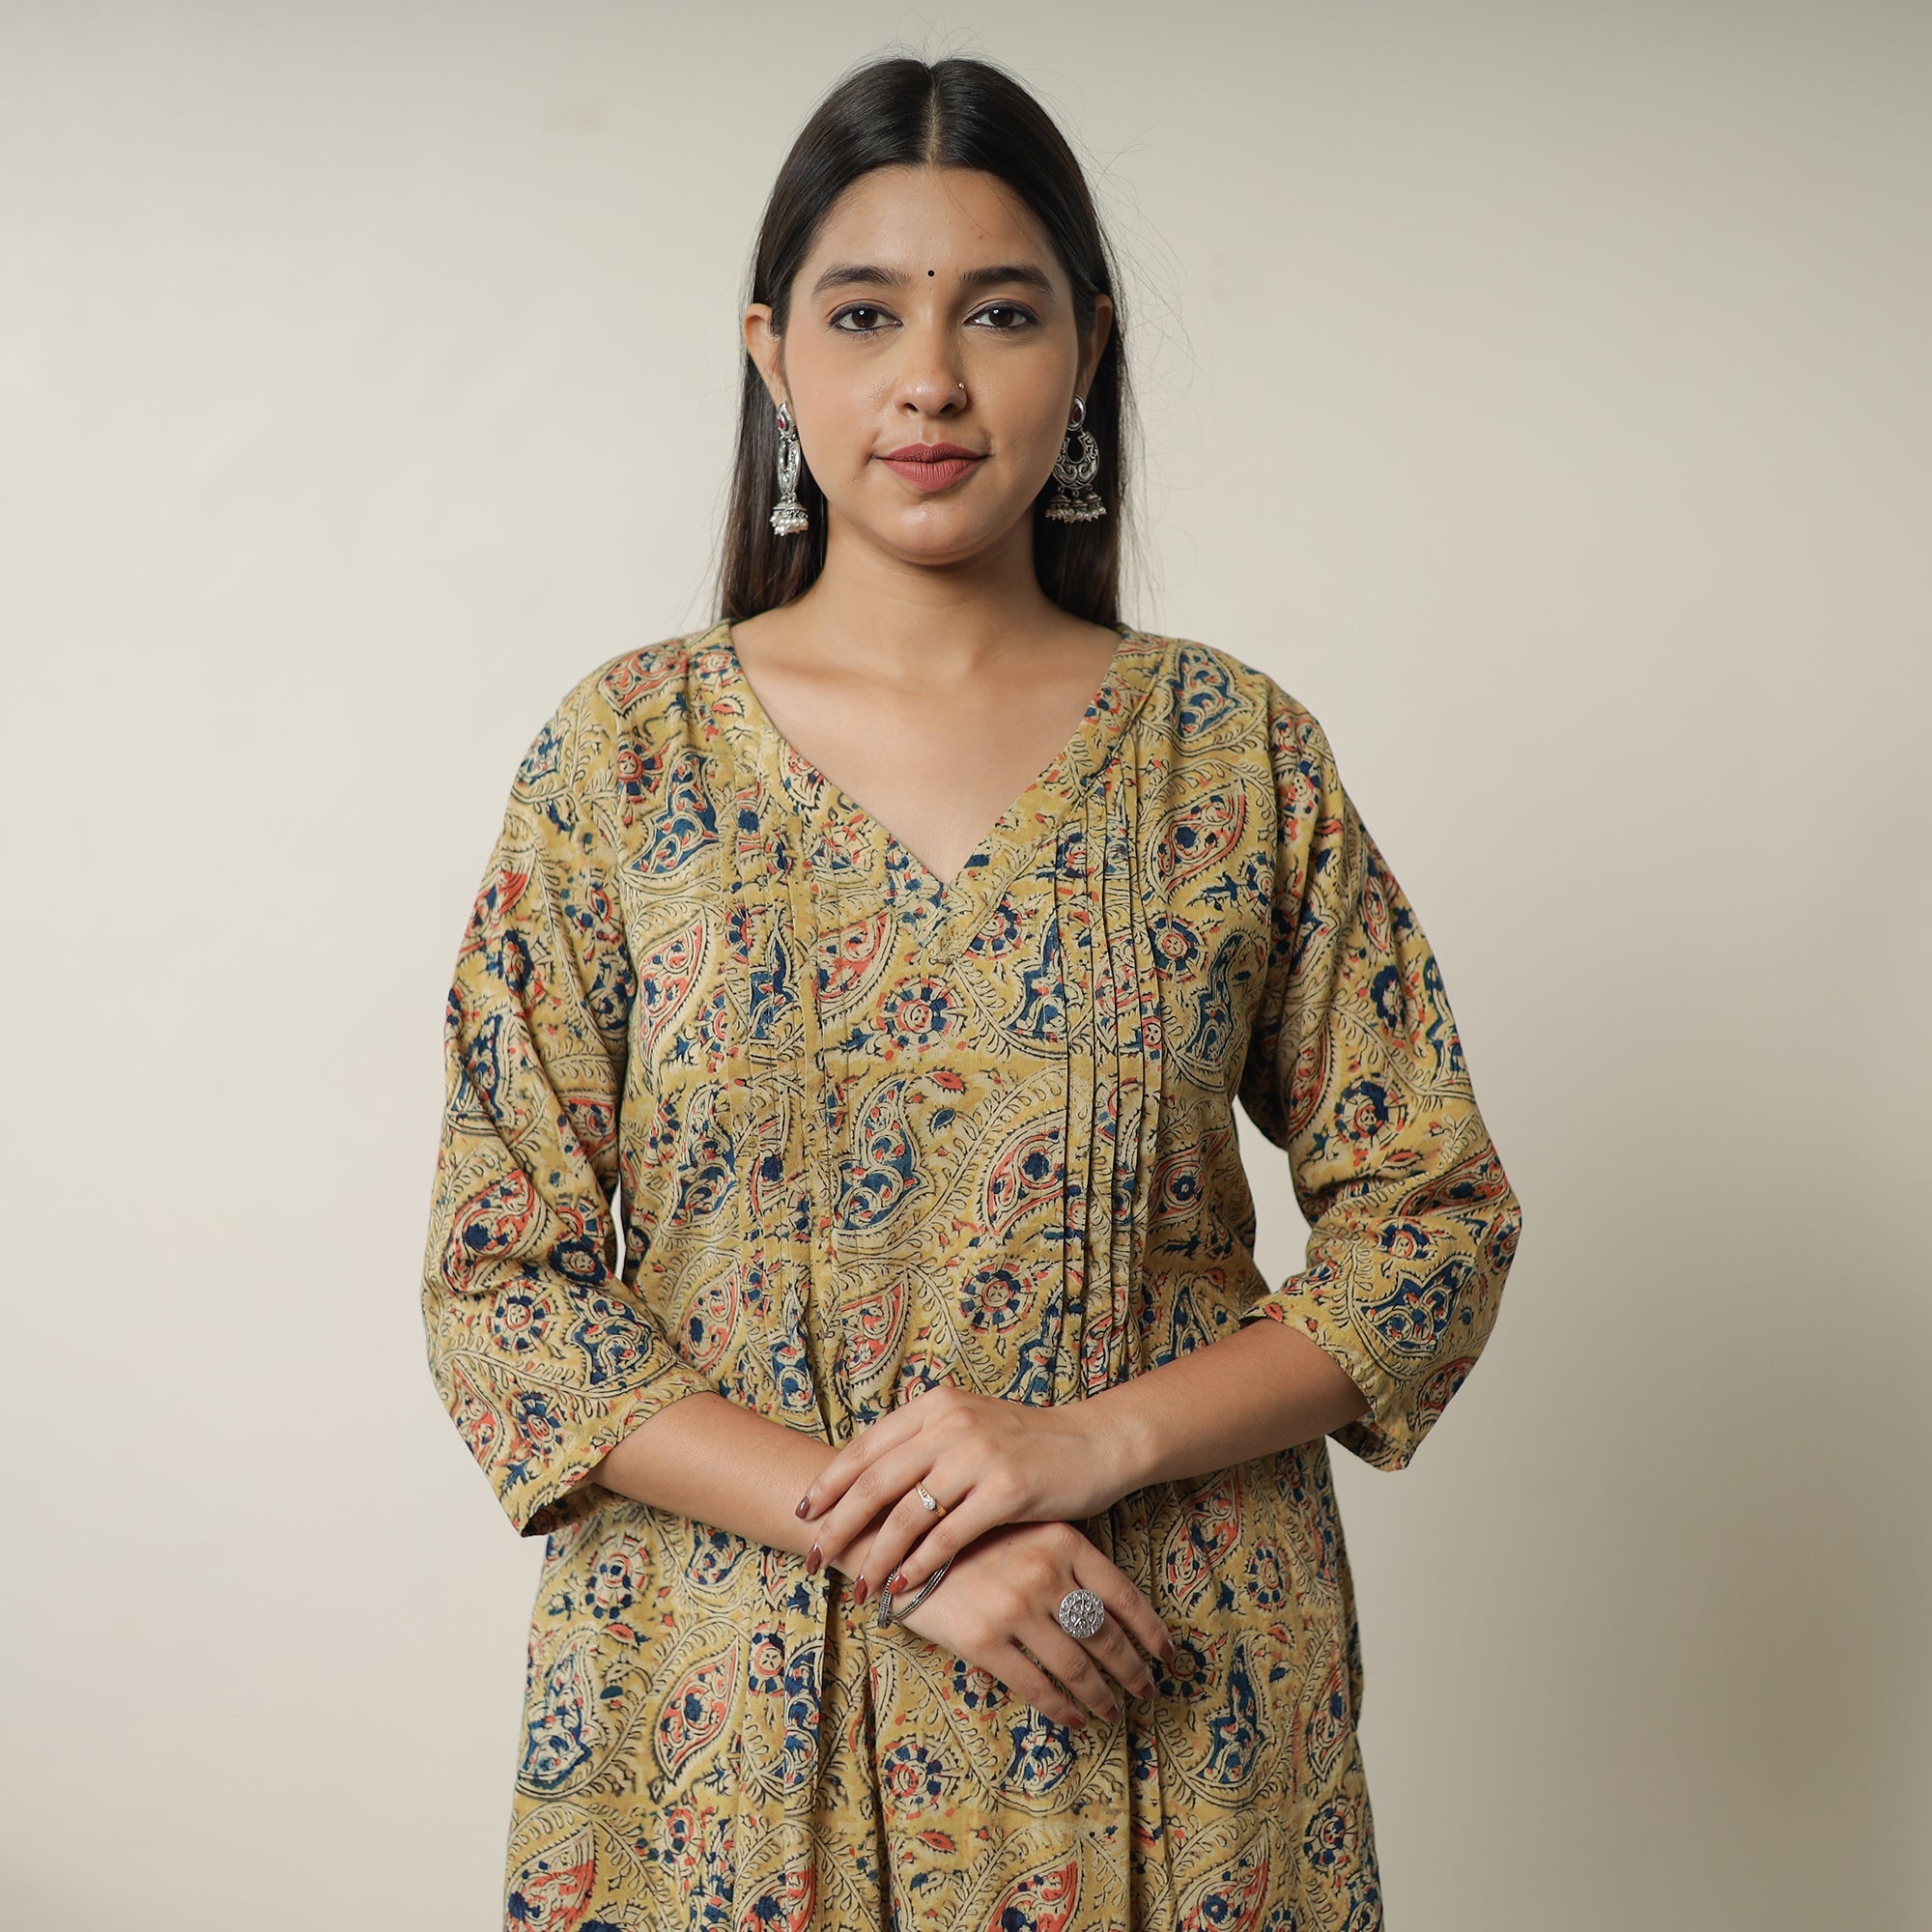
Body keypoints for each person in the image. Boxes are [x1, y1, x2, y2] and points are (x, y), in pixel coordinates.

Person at [419, 51, 1523, 1932]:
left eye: (997, 313)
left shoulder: (1230, 755)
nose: (928, 378)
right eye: (866, 314)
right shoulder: (623, 762)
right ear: (772, 357)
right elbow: (500, 1287)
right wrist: (911, 1544)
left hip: (1161, 1688)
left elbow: (1432, 1226)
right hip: (727, 1721)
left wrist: (1083, 1445)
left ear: (1086, 350)